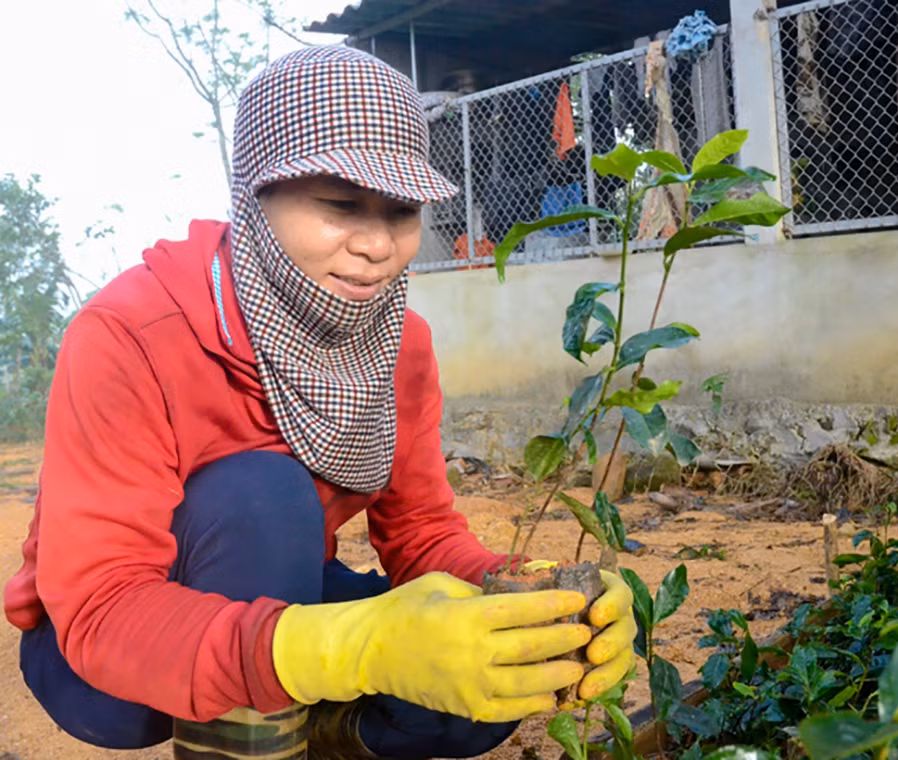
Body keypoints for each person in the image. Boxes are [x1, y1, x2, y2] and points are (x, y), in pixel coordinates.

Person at [3, 45, 635, 759]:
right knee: (260, 492)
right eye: (340, 206)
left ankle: (323, 732)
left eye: (400, 211)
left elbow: (422, 536)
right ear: (254, 197)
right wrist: (355, 649)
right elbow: (105, 604)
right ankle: (239, 738)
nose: (375, 245)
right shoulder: (132, 331)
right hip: (106, 646)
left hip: (277, 595)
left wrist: (525, 597)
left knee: (494, 670)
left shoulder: (399, 341)